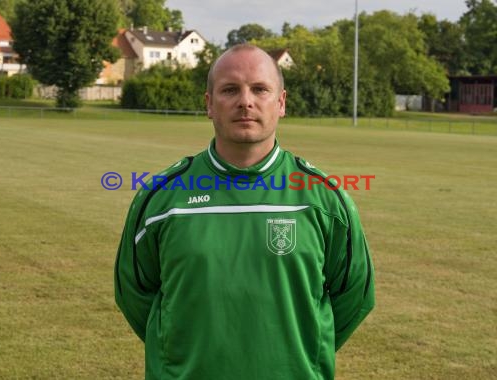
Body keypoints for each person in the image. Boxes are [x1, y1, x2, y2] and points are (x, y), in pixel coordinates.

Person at [114, 44, 375, 380]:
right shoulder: (162, 196)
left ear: (281, 103)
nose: (245, 101)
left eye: (260, 89)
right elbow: (134, 292)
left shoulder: (324, 198)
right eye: (230, 89)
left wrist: (301, 351)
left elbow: (354, 295)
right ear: (209, 104)